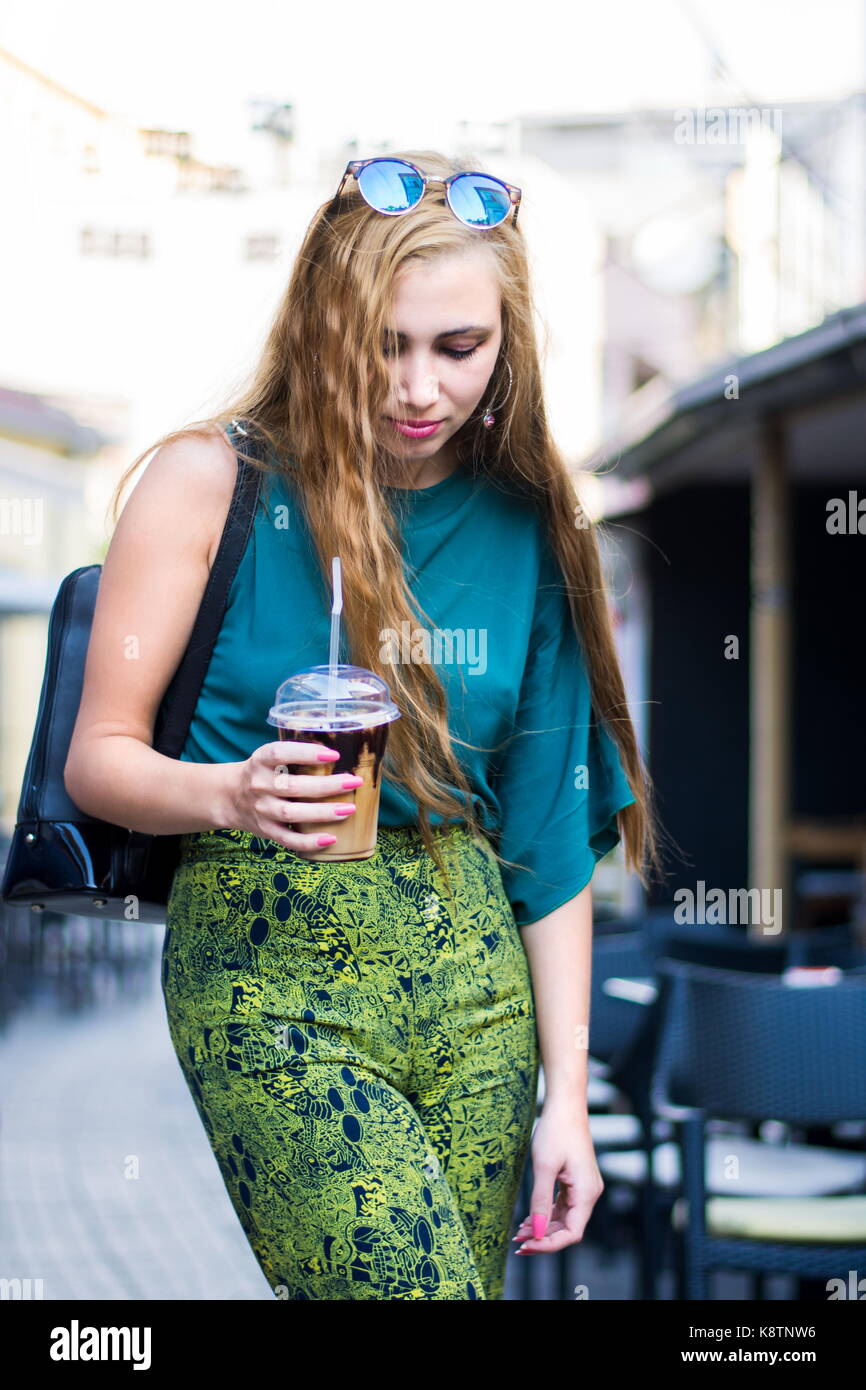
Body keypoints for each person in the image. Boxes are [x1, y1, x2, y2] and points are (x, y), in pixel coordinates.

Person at [64, 149, 661, 1301]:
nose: (418, 387)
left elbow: (546, 842)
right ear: (322, 320)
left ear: (506, 344)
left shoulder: (530, 526)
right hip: (267, 971)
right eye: (382, 342)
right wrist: (228, 791)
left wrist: (568, 1102)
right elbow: (102, 758)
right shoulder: (206, 481)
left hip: (475, 982)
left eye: (457, 347)